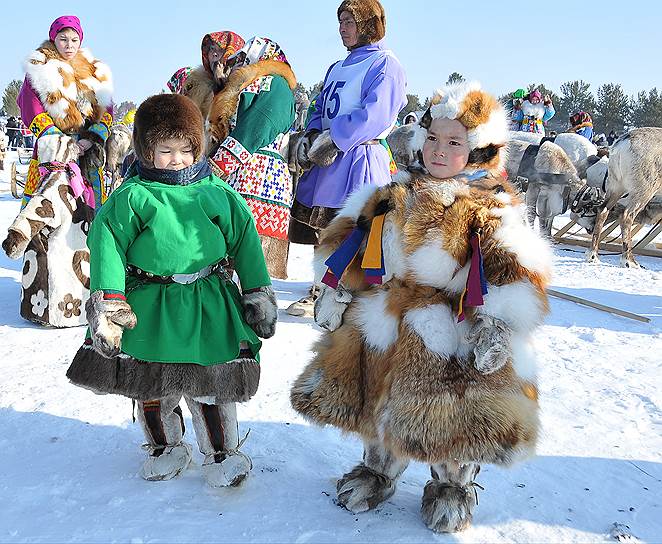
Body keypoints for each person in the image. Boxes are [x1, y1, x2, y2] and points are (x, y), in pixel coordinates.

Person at [291, 81, 552, 533]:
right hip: (386, 318)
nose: (438, 149)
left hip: (450, 328)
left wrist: (496, 323)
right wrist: (335, 288)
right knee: (375, 402)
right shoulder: (390, 195)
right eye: (432, 137)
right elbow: (344, 243)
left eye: (454, 142)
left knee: (450, 418)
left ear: (478, 150)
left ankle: (454, 485)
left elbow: (516, 268)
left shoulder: (489, 208)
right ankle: (378, 470)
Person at [66, 94, 278, 487]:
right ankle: (165, 447)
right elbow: (107, 242)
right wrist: (109, 301)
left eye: (186, 149)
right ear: (146, 150)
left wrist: (256, 291)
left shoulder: (216, 193)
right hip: (150, 304)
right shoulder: (133, 196)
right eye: (165, 150)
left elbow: (246, 240)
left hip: (206, 302)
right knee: (149, 382)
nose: (177, 159)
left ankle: (221, 453)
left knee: (212, 382)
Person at [287, 0, 406, 315]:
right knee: (323, 228)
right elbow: (318, 107)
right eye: (340, 21)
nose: (342, 28)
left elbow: (376, 115)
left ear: (368, 24)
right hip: (327, 159)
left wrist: (335, 139)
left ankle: (352, 292)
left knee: (354, 228)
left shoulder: (385, 64)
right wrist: (312, 136)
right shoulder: (336, 67)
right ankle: (320, 288)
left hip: (359, 158)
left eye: (350, 21)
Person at [208, 37, 296, 279]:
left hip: (258, 176)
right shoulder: (252, 85)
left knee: (250, 264)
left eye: (245, 59)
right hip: (242, 173)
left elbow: (255, 129)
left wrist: (217, 166)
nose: (240, 64)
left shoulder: (274, 85)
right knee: (230, 259)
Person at [17, 15, 113, 209]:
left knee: (91, 204)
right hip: (52, 147)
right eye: (63, 39)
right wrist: (60, 142)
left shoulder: (94, 71)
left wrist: (92, 138)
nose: (69, 45)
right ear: (54, 39)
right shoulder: (39, 68)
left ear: (80, 41)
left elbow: (106, 109)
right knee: (45, 202)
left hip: (88, 147)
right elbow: (30, 106)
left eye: (74, 40)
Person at [170, 31, 245, 123]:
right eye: (212, 49)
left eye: (221, 50)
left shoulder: (247, 86)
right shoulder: (194, 82)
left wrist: (223, 86)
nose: (214, 54)